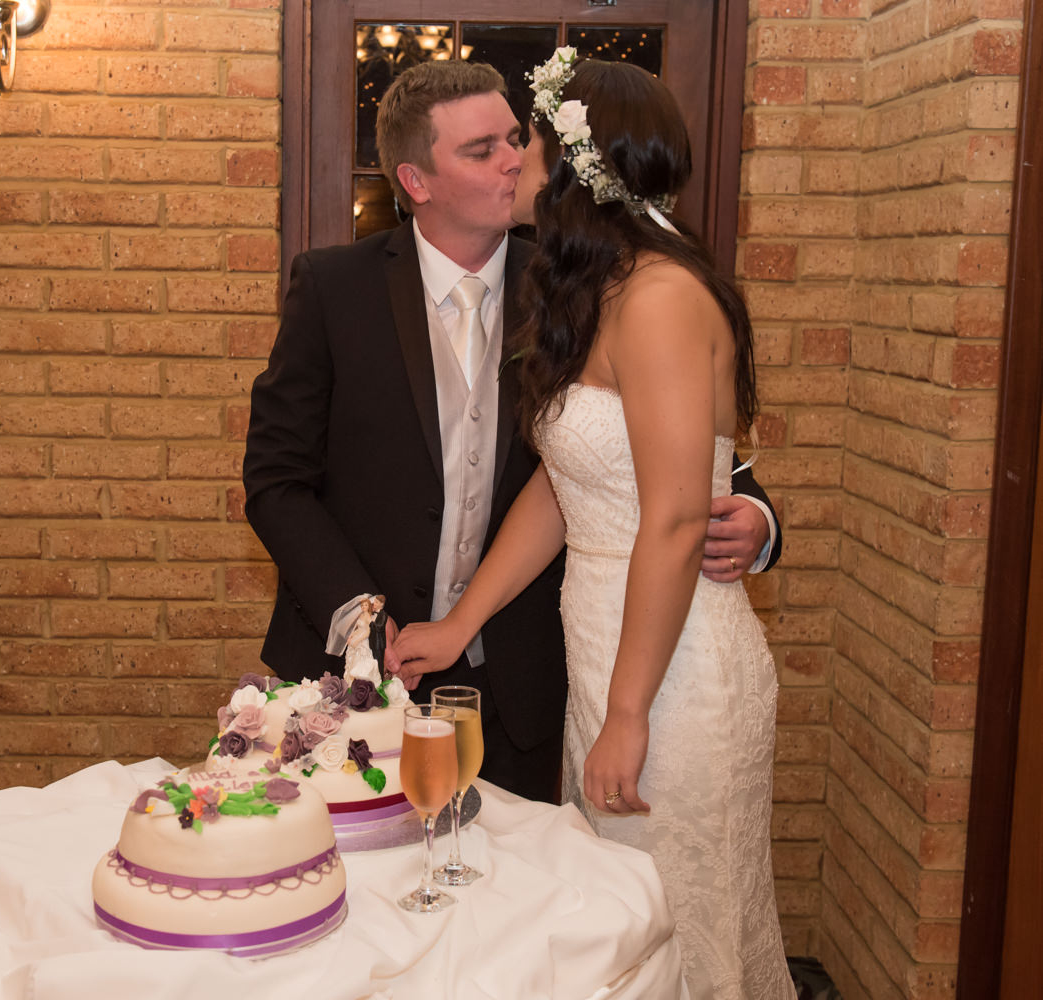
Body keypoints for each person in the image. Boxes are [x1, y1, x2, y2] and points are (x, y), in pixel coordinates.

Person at [242, 59, 779, 803]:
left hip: (526, 681)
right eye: (482, 149)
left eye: (514, 139)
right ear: (416, 181)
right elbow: (275, 480)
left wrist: (758, 515)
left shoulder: (578, 288)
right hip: (361, 670)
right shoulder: (335, 288)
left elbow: (668, 458)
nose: (514, 159)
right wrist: (360, 615)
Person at [393, 50, 796, 999]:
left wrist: (626, 716)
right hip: (612, 659)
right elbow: (563, 489)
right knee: (622, 928)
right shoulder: (599, 291)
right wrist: (461, 623)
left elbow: (670, 521)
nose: (514, 160)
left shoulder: (658, 298)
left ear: (578, 166)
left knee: (677, 930)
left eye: (527, 140)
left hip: (673, 681)